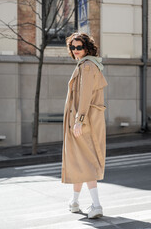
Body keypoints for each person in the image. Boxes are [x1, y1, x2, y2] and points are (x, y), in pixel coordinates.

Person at [61, 32, 108, 219]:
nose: (75, 51)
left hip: (84, 122)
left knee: (86, 162)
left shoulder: (87, 66)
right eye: (72, 47)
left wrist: (79, 121)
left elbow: (86, 95)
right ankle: (74, 202)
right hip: (83, 121)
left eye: (79, 47)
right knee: (78, 161)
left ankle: (96, 205)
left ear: (87, 48)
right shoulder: (85, 65)